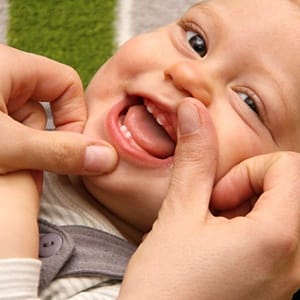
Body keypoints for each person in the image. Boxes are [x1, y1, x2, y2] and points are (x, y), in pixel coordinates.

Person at [1, 0, 300, 298]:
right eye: (196, 42)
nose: (190, 76)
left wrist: (11, 207)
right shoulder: (17, 121)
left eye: (249, 103)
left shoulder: (128, 289)